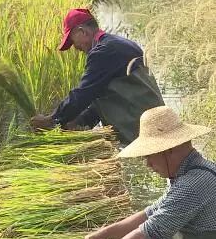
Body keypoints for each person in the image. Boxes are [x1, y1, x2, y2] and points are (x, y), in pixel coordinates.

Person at [83, 106, 216, 239]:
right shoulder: (192, 174)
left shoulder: (194, 184)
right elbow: (150, 213)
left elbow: (150, 233)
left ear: (168, 150)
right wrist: (105, 233)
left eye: (149, 156)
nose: (147, 164)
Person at [30, 8, 164, 144]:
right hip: (158, 120)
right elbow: (104, 98)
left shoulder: (103, 52)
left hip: (143, 127)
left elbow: (84, 93)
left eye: (72, 41)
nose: (75, 48)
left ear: (82, 31)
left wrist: (52, 119)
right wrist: (80, 121)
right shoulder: (120, 44)